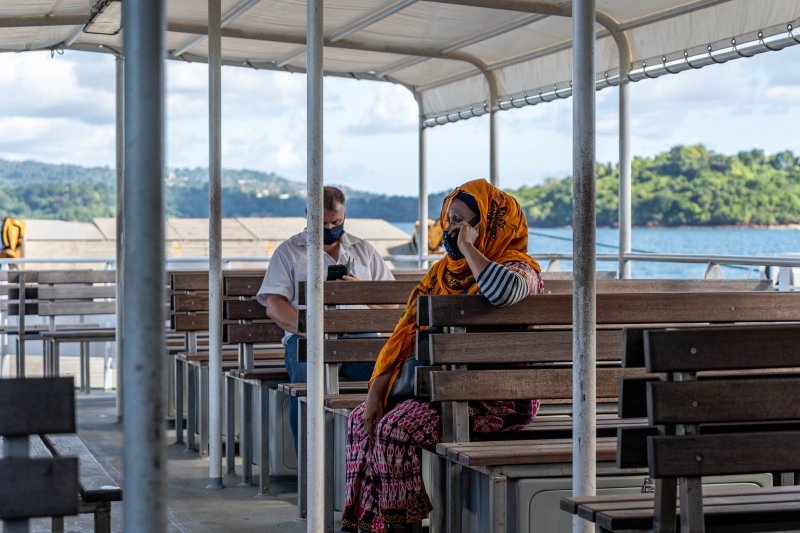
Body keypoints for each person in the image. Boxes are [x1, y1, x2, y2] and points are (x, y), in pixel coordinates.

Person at [341, 179, 544, 533]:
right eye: (448, 221)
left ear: (492, 226)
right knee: (362, 419)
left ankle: (403, 525)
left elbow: (502, 293)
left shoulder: (520, 269)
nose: (451, 230)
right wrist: (376, 391)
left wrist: (469, 248)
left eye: (462, 222)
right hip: (440, 390)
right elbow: (404, 337)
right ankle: (374, 523)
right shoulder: (441, 275)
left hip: (497, 399)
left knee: (393, 429)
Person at [256, 186, 396, 450]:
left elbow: (392, 304)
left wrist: (360, 292)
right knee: (309, 388)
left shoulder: (363, 249)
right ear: (308, 215)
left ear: (344, 215)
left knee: (392, 381)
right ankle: (310, 474)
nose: (330, 227)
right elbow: (274, 305)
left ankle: (373, 463)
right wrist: (310, 328)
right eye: (323, 223)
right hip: (307, 339)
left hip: (359, 337)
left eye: (336, 222)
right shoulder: (289, 251)